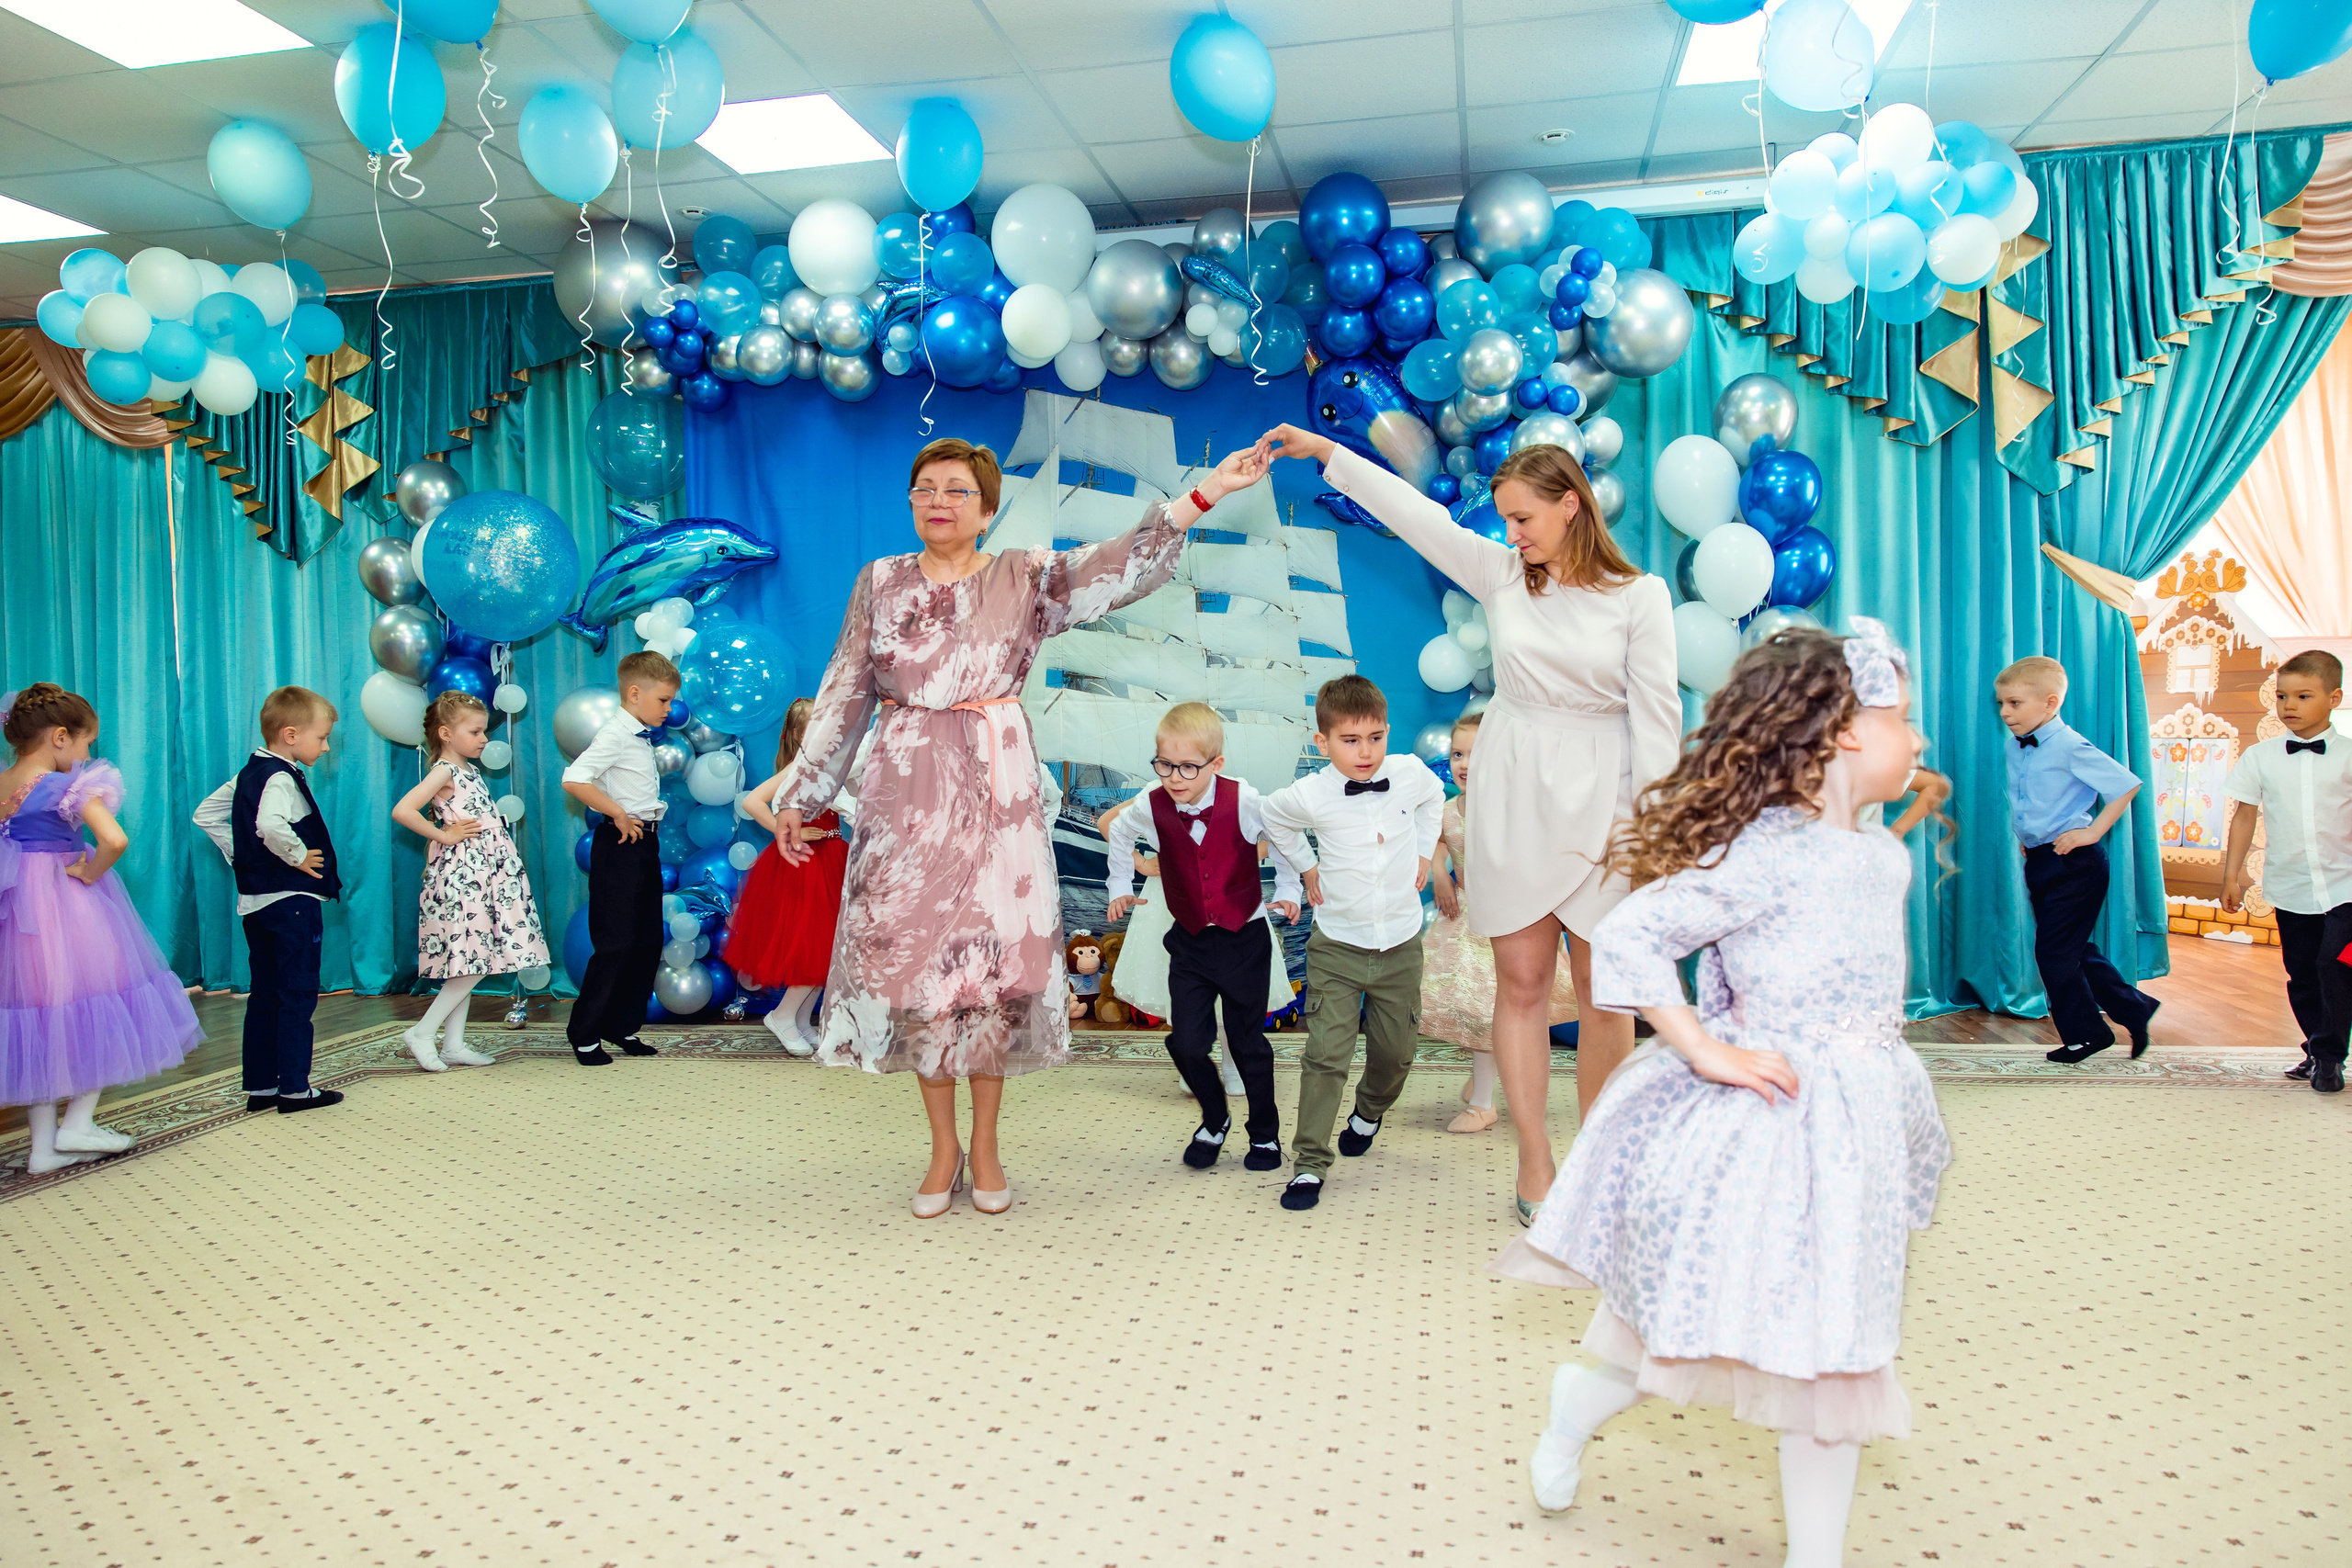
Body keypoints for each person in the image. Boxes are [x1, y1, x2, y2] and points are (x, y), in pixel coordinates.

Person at [1494, 622, 1951, 1568]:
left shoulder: (1884, 857)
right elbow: (1628, 938)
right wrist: (1704, 1048)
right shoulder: (1761, 850)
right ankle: (1574, 1410)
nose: (1920, 743)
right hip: (1766, 1124)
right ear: (1843, 733)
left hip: (1853, 1125)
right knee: (1670, 1330)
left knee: (1835, 1352)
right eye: (1906, 722)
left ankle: (1813, 1557)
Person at [766, 434, 1272, 1219]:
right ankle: (943, 1150)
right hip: (905, 790)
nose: (939, 499)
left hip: (996, 791)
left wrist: (1201, 495)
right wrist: (804, 791)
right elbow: (843, 689)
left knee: (989, 975)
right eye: (926, 487)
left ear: (987, 510)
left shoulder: (1025, 576)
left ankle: (990, 1146)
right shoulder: (880, 581)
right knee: (923, 977)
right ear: (910, 501)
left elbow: (1114, 564)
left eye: (958, 490)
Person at [1263, 424, 1678, 1224]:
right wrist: (1332, 456)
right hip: (1516, 790)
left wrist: (1655, 833)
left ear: (1570, 507)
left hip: (1608, 801)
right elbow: (1421, 517)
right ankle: (1536, 1162)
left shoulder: (1640, 596)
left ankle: (1600, 1160)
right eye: (1505, 520)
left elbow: (1658, 724)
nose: (1511, 533)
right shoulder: (1500, 575)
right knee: (1520, 985)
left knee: (1607, 994)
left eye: (1523, 518)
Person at [1259, 675, 1446, 1211]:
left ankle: (1369, 1110)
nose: (1365, 753)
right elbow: (1274, 818)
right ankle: (1310, 1164)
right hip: (1338, 947)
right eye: (1350, 740)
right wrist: (1307, 866)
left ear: (1388, 733)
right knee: (1325, 1055)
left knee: (1397, 1052)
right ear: (1323, 743)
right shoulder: (1310, 793)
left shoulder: (1408, 774)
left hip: (1402, 947)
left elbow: (1435, 800)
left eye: (1375, 738)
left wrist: (1423, 854)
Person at [0, 684, 203, 1173]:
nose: (89, 753)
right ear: (60, 737)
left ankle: (43, 1149)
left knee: (40, 1020)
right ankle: (79, 1123)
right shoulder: (62, 786)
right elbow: (114, 838)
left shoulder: (4, 782)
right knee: (99, 999)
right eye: (88, 743)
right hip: (65, 905)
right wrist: (90, 873)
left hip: (16, 913)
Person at [1103, 701, 1302, 1173]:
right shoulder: (1152, 803)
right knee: (1188, 1044)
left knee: (1248, 1043)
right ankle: (1215, 1119)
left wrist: (1291, 889)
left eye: (1188, 767)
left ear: (1216, 764)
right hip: (1189, 943)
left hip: (1243, 941)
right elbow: (1118, 833)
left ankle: (1265, 1135)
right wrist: (1119, 885)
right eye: (1164, 764)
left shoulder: (1246, 800)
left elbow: (1286, 836)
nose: (1174, 777)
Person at [1996, 655, 2161, 1065]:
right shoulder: (2015, 745)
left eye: (2014, 703)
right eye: (2001, 703)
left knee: (2054, 953)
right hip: (2041, 859)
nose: (2004, 712)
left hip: (2077, 863)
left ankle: (2088, 1034)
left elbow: (2126, 785)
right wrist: (2030, 837)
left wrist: (2092, 831)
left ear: (2050, 703)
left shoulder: (2070, 744)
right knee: (2069, 949)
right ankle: (2133, 1007)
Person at [1422, 711, 1578, 1133]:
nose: (1465, 764)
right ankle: (1485, 1073)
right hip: (1466, 917)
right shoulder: (1447, 809)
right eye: (1458, 753)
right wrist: (1440, 873)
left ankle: (1483, 1102)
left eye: (1478, 754)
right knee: (1466, 1004)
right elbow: (1438, 842)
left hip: (1508, 919)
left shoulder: (1513, 808)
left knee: (1495, 1005)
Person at [192, 685, 345, 1113]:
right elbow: (270, 824)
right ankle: (295, 1089)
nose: (327, 745)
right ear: (291, 735)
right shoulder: (281, 776)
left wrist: (244, 854)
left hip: (255, 903)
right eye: (322, 737)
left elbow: (205, 814)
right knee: (296, 994)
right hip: (292, 902)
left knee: (265, 994)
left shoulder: (249, 771)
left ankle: (261, 1086)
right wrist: (295, 857)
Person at [390, 691, 550, 1073]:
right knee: (474, 959)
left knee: (469, 959)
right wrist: (444, 835)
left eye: (483, 732)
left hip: (485, 873)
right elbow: (403, 810)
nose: (483, 739)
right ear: (446, 733)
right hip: (465, 877)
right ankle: (423, 1031)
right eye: (475, 732)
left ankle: (454, 1043)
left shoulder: (471, 771)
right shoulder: (445, 770)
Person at [2220, 649, 2348, 1092]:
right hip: (2290, 885)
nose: (2289, 705)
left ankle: (2330, 1056)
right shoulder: (2261, 757)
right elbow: (2243, 816)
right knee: (2303, 972)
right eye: (2282, 696)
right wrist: (2231, 875)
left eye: (2303, 695)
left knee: (2335, 966)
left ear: (2334, 698)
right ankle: (2317, 1047)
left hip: (2345, 885)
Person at [1098, 795, 1279, 1095]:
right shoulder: (1156, 793)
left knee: (1234, 978)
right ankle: (1195, 1061)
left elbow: (1275, 835)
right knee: (1183, 981)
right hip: (1172, 896)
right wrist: (1141, 863)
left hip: (1225, 895)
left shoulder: (1232, 793)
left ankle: (1234, 1063)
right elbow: (1108, 823)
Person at [560, 650, 681, 1066]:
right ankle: (584, 1033)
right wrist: (615, 811)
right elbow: (573, 778)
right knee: (615, 943)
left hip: (645, 842)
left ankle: (622, 1026)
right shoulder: (615, 733)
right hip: (620, 844)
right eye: (663, 700)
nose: (669, 708)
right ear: (634, 693)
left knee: (646, 941)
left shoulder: (639, 735)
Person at [733, 697, 852, 1056]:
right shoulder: (800, 767)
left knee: (827, 949)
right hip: (807, 866)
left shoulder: (828, 765)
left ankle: (800, 1019)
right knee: (813, 946)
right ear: (799, 735)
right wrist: (786, 834)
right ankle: (783, 1015)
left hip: (830, 858)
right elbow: (752, 802)